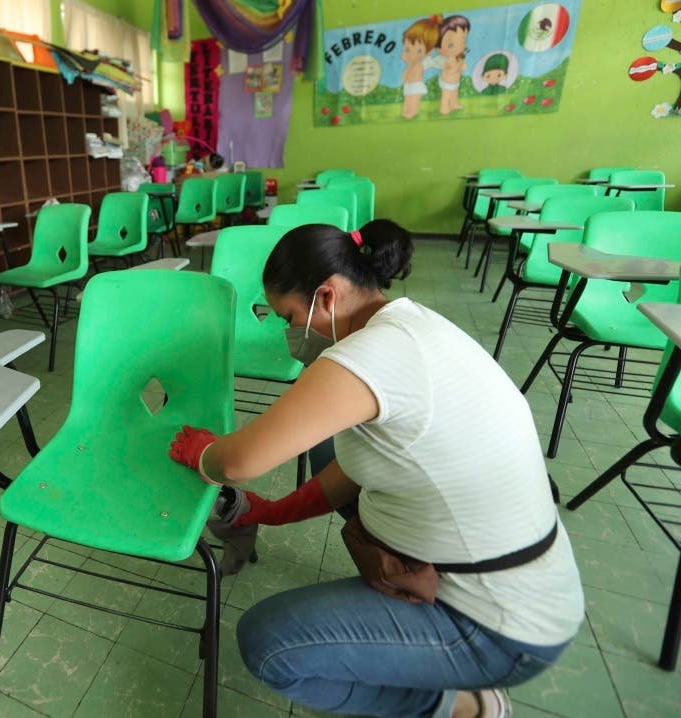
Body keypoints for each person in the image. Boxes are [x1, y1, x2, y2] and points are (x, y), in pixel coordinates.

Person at [169, 220, 584, 718]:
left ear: (326, 296)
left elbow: (238, 461)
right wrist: (271, 512)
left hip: (505, 625)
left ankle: (459, 704)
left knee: (267, 644)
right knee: (329, 453)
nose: (288, 332)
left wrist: (201, 453)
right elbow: (348, 472)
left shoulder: (369, 354)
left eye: (289, 315)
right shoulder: (408, 322)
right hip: (530, 580)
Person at [401, 17, 440, 119]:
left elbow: (416, 72)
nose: (412, 54)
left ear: (429, 52)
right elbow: (406, 74)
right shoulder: (411, 65)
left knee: (413, 100)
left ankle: (413, 112)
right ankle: (405, 113)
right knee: (407, 100)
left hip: (416, 87)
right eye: (407, 49)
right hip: (408, 86)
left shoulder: (419, 65)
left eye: (418, 50)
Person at [437, 15, 470, 115]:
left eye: (462, 41)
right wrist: (454, 67)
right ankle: (444, 107)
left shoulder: (458, 57)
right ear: (439, 48)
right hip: (447, 81)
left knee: (454, 92)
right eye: (451, 44)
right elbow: (447, 68)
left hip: (455, 81)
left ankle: (454, 103)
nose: (459, 45)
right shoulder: (449, 59)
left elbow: (461, 65)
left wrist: (462, 64)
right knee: (446, 94)